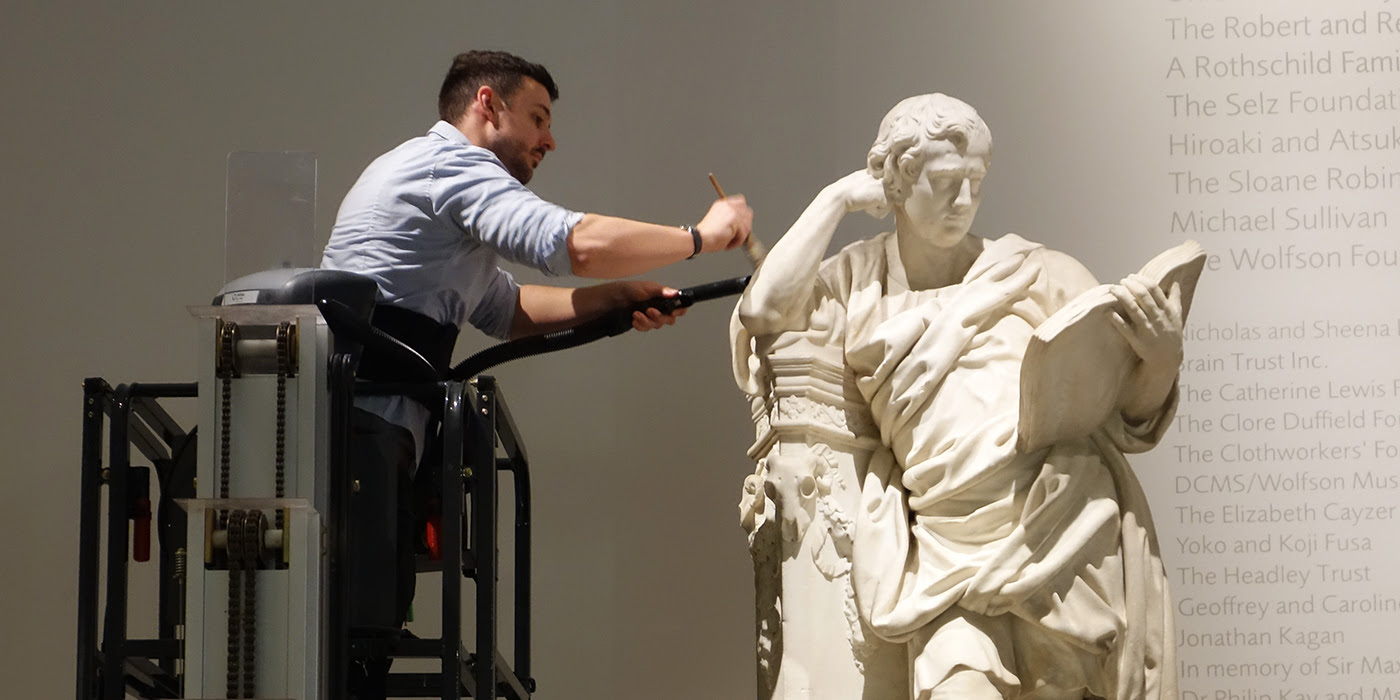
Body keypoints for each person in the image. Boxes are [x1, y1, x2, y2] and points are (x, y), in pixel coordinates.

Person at [321, 50, 752, 699]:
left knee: (359, 643)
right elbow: (571, 244)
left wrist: (616, 296)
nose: (549, 139)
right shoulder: (451, 166)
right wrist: (699, 238)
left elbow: (507, 308)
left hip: (373, 432)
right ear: (487, 105)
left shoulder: (441, 196)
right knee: (349, 650)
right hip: (361, 426)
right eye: (538, 117)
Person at [735, 94, 1180, 699]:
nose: (964, 200)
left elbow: (1130, 417)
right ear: (893, 179)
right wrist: (837, 199)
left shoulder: (1038, 273)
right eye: (946, 181)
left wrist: (1159, 360)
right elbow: (763, 310)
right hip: (945, 547)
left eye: (975, 181)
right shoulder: (854, 282)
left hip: (1061, 526)